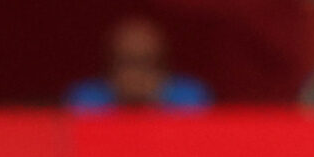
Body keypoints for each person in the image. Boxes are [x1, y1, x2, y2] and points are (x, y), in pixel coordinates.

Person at [64, 18, 211, 111]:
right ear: (110, 63)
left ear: (163, 63)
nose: (136, 73)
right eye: (127, 62)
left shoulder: (189, 95)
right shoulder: (85, 98)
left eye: (145, 62)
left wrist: (154, 101)